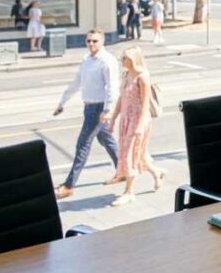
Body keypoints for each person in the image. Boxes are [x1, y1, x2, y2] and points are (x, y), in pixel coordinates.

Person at [52, 28, 119, 199]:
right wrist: (62, 102)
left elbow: (112, 87)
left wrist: (108, 110)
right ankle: (123, 170)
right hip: (89, 107)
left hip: (99, 109)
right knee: (106, 139)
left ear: (102, 41)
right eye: (88, 41)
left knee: (82, 145)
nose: (91, 44)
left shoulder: (107, 61)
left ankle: (69, 185)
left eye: (95, 41)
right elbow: (76, 82)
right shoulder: (87, 59)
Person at [107, 46, 165, 206]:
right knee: (139, 155)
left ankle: (129, 192)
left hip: (138, 120)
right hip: (126, 119)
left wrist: (139, 126)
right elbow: (121, 99)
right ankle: (157, 173)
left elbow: (145, 103)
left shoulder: (142, 77)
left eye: (124, 58)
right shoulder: (126, 75)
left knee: (129, 154)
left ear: (133, 59)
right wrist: (113, 119)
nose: (121, 60)